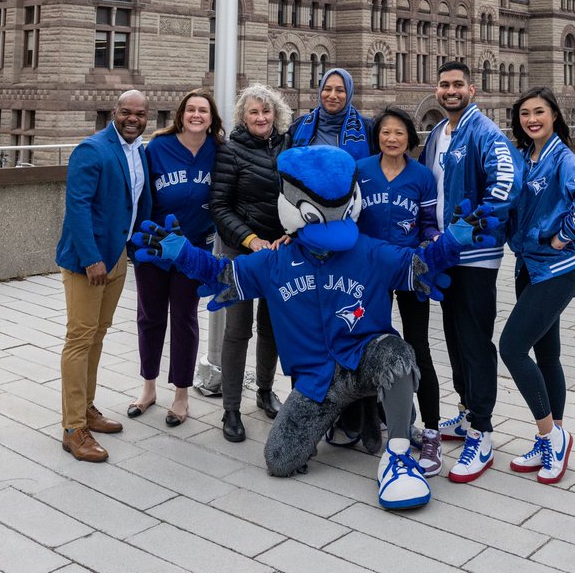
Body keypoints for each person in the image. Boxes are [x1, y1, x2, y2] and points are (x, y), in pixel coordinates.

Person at [131, 144, 496, 511]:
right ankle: (347, 418)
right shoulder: (275, 260)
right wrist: (182, 253)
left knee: (397, 354)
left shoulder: (370, 251)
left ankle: (398, 454)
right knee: (280, 460)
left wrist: (452, 242)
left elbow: (418, 265)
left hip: (364, 360)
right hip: (318, 382)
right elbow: (223, 274)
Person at [500, 87, 575, 484]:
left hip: (557, 270)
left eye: (539, 112)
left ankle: (551, 435)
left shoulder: (562, 157)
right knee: (547, 354)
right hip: (529, 268)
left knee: (511, 347)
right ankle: (555, 433)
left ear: (553, 116)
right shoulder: (527, 157)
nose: (532, 119)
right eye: (526, 113)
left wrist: (563, 236)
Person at [419, 60, 521, 483]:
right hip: (444, 256)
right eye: (444, 85)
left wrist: (464, 232)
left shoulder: (485, 132)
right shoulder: (437, 135)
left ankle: (482, 430)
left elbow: (505, 185)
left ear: (472, 89)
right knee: (456, 339)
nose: (450, 91)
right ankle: (465, 412)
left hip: (475, 257)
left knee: (476, 341)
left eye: (457, 85)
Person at [56, 89, 151, 462]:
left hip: (117, 256)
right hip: (88, 261)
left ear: (147, 117)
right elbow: (76, 206)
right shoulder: (92, 149)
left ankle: (87, 409)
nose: (133, 118)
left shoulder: (139, 151)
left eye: (139, 114)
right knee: (79, 338)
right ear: (114, 113)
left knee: (98, 333)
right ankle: (72, 429)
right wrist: (91, 257)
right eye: (126, 112)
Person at [355, 107, 444, 477]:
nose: (392, 139)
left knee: (417, 347)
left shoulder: (422, 176)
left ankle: (432, 430)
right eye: (385, 132)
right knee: (368, 344)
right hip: (371, 271)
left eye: (399, 133)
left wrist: (432, 244)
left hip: (409, 271)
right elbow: (351, 220)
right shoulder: (361, 170)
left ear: (410, 138)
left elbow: (427, 224)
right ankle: (374, 417)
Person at [128, 89, 224, 426]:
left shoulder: (219, 152)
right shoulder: (158, 148)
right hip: (155, 245)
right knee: (150, 317)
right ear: (181, 114)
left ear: (212, 119)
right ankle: (148, 387)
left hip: (192, 250)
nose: (196, 115)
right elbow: (140, 192)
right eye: (191, 110)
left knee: (184, 319)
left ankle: (181, 394)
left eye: (203, 111)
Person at [209, 83, 291, 442]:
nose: (261, 118)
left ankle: (264, 390)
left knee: (272, 327)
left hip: (278, 251)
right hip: (241, 252)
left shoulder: (289, 147)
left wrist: (291, 236)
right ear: (243, 116)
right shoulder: (230, 151)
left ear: (276, 114)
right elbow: (219, 206)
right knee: (238, 330)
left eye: (267, 111)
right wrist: (249, 239)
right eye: (254, 112)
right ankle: (230, 408)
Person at [289, 67, 375, 159]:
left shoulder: (367, 127)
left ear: (349, 94)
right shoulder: (300, 124)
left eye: (340, 90)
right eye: (327, 89)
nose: (332, 95)